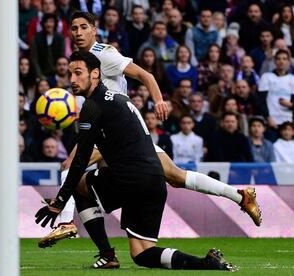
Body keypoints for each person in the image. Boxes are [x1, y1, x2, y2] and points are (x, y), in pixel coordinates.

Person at [39, 11, 261, 249]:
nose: (79, 32)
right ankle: (240, 196)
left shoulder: (105, 54)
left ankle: (65, 222)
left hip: (115, 129)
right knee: (175, 176)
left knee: (70, 166)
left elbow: (145, 74)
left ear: (95, 30)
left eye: (84, 27)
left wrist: (158, 101)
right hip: (122, 132)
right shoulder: (79, 61)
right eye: (74, 28)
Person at [35, 51, 237, 271]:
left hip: (129, 178)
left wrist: (59, 202)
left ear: (95, 74)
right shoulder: (121, 99)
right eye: (69, 74)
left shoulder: (92, 107)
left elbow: (80, 159)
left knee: (79, 184)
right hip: (154, 180)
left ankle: (106, 254)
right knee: (142, 254)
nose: (72, 80)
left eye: (78, 73)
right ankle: (205, 263)